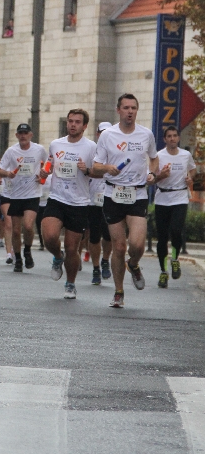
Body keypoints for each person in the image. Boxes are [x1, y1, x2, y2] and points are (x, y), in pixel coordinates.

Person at [94, 94, 158, 308]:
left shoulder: (146, 134)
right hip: (113, 194)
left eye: (133, 108)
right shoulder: (107, 135)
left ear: (136, 111)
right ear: (118, 110)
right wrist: (107, 168)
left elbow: (154, 158)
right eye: (126, 108)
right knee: (119, 247)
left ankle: (134, 264)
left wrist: (152, 173)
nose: (130, 111)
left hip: (137, 194)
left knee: (137, 245)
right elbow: (96, 166)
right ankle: (119, 292)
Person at [40, 110, 97, 298]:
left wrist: (87, 170)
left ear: (85, 126)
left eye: (77, 122)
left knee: (72, 248)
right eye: (70, 121)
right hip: (57, 198)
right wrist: (44, 172)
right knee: (49, 237)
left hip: (79, 203)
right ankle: (58, 256)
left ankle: (70, 284)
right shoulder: (56, 144)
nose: (73, 124)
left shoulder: (91, 147)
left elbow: (99, 172)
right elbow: (49, 164)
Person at [0, 124, 47, 272]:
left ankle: (28, 250)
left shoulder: (39, 149)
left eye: (26, 133)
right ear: (17, 135)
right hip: (16, 195)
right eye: (21, 133)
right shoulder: (11, 151)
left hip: (32, 194)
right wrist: (8, 174)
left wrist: (43, 174)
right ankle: (18, 258)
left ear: (31, 135)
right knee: (16, 230)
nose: (23, 136)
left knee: (28, 226)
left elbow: (49, 165)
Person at [153, 126, 196, 288]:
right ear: (165, 139)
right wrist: (161, 176)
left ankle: (175, 259)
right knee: (162, 238)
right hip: (163, 198)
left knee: (176, 230)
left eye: (175, 136)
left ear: (178, 138)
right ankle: (163, 271)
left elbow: (192, 170)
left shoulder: (185, 155)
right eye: (169, 136)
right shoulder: (159, 156)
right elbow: (151, 178)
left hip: (180, 197)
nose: (172, 138)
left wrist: (190, 179)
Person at [87, 123, 113, 285]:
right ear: (97, 135)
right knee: (94, 235)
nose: (105, 135)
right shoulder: (91, 150)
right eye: (102, 133)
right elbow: (86, 171)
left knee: (109, 234)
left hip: (110, 197)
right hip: (93, 199)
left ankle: (105, 260)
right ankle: (96, 267)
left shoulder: (116, 151)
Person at [36, 172, 52, 250]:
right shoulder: (36, 176)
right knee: (38, 223)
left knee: (48, 225)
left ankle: (48, 242)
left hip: (48, 204)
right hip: (38, 204)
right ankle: (41, 243)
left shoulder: (51, 177)